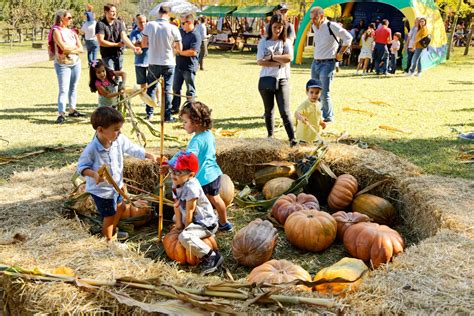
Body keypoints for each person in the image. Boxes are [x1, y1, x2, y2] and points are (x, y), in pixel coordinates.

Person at [77, 107, 157, 241]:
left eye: (119, 129)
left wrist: (146, 154)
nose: (119, 132)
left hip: (117, 186)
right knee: (109, 215)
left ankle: (112, 231)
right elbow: (81, 168)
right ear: (100, 130)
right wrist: (95, 175)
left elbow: (132, 148)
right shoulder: (92, 149)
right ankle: (108, 240)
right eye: (116, 129)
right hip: (102, 191)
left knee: (122, 207)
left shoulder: (118, 140)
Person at [172, 101, 233, 232]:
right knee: (216, 199)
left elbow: (189, 158)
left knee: (196, 203)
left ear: (196, 122)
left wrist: (173, 162)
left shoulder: (196, 141)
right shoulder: (208, 134)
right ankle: (224, 223)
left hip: (203, 178)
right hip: (214, 174)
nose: (183, 126)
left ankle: (195, 224)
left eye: (185, 122)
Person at [165, 151, 223, 274]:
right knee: (176, 218)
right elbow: (176, 205)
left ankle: (211, 256)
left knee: (184, 237)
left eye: (178, 172)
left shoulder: (191, 187)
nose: (173, 174)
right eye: (172, 170)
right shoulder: (177, 183)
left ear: (191, 175)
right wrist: (179, 225)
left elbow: (190, 211)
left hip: (204, 223)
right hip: (193, 218)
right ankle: (193, 234)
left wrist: (185, 229)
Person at [257, 14, 296, 147]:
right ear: (270, 27)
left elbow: (289, 58)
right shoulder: (263, 42)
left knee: (284, 111)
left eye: (280, 27)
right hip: (266, 79)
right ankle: (270, 136)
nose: (277, 30)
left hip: (282, 79)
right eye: (275, 27)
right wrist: (278, 61)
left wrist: (272, 57)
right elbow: (260, 61)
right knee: (269, 110)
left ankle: (292, 139)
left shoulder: (286, 42)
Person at [310, 6, 352, 123]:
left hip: (328, 63)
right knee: (314, 90)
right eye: (311, 18)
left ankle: (328, 117)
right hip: (316, 62)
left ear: (322, 16)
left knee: (324, 92)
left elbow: (348, 38)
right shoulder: (314, 26)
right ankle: (316, 113)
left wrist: (340, 53)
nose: (312, 21)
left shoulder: (331, 26)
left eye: (315, 18)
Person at [142, 5, 182, 122]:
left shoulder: (149, 25)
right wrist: (172, 49)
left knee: (151, 89)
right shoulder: (173, 28)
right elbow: (179, 48)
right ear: (169, 14)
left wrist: (153, 46)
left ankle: (149, 114)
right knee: (167, 90)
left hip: (153, 61)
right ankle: (167, 116)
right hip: (168, 62)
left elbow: (144, 44)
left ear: (159, 13)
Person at [51, 9, 85, 124]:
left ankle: (72, 109)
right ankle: (61, 113)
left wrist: (72, 50)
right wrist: (74, 49)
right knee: (63, 89)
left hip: (75, 62)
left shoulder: (72, 32)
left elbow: (81, 48)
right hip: (63, 64)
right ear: (62, 18)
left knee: (73, 87)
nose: (71, 20)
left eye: (71, 18)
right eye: (69, 18)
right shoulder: (56, 31)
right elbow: (63, 47)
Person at [95, 3, 141, 71]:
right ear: (106, 12)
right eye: (112, 11)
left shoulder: (119, 23)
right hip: (107, 55)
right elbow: (101, 42)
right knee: (111, 75)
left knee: (119, 78)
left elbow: (124, 37)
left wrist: (133, 48)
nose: (114, 13)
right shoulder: (100, 24)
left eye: (115, 11)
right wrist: (116, 44)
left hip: (119, 55)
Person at [172, 14, 201, 115]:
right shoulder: (181, 32)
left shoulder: (196, 35)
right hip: (178, 66)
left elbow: (193, 52)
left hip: (189, 67)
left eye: (183, 23)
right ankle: (174, 108)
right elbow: (174, 43)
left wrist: (179, 52)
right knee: (175, 88)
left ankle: (190, 110)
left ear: (190, 23)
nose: (181, 25)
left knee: (190, 90)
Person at [295, 79, 326, 144]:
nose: (314, 95)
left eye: (317, 93)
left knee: (313, 150)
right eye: (311, 92)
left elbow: (318, 115)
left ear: (320, 93)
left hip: (314, 134)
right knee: (303, 150)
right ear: (307, 92)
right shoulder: (305, 104)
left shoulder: (319, 104)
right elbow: (297, 113)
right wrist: (301, 118)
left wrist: (321, 122)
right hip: (304, 135)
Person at [129, 14, 150, 110]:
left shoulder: (150, 31)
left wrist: (140, 43)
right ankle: (145, 101)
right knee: (142, 83)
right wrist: (144, 43)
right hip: (139, 61)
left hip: (151, 61)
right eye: (140, 22)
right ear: (136, 22)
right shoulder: (134, 32)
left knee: (154, 83)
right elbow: (133, 43)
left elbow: (149, 43)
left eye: (144, 21)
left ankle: (157, 100)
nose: (142, 24)